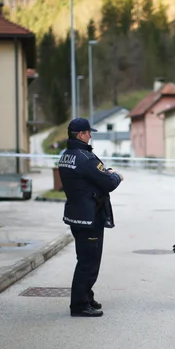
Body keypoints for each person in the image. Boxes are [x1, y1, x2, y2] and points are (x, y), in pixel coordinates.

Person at [58, 117, 124, 317]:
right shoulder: (86, 158)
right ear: (80, 135)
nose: (90, 136)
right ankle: (79, 305)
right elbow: (108, 182)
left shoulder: (66, 155)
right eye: (88, 132)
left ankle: (86, 296)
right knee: (89, 262)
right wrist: (116, 175)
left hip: (76, 214)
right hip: (90, 216)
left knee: (85, 258)